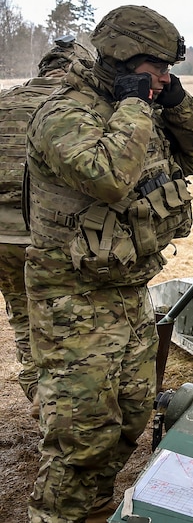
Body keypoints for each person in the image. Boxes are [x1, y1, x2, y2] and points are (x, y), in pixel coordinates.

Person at [24, 5, 193, 523]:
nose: (164, 78)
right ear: (121, 60)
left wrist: (173, 100)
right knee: (81, 438)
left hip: (129, 293)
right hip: (73, 299)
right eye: (157, 69)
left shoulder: (140, 106)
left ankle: (94, 509)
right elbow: (110, 177)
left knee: (130, 417)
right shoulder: (64, 115)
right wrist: (136, 103)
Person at [0, 37, 95, 405]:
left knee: (23, 315)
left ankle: (35, 383)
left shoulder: (6, 101)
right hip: (50, 237)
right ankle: (59, 406)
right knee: (67, 325)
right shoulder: (73, 107)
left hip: (3, 239)